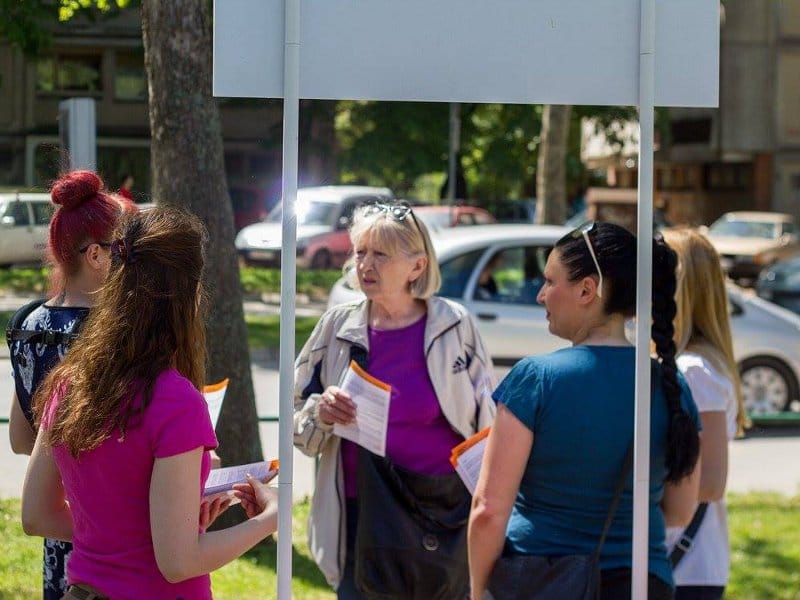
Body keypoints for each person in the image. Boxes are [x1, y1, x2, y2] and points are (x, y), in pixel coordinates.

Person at [21, 207, 278, 600]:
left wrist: (156, 524)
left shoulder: (68, 382)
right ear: (191, 293)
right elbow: (178, 563)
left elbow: (37, 515)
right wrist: (270, 519)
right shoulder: (177, 402)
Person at [468, 222, 702, 600]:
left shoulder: (536, 379)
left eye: (549, 281)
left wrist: (477, 590)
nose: (541, 295)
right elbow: (679, 510)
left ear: (586, 289)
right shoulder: (670, 386)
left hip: (543, 580)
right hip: (642, 583)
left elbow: (488, 510)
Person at [293, 201, 497, 598]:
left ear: (417, 267)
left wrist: (488, 509)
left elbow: (488, 425)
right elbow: (299, 424)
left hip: (444, 516)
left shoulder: (455, 326)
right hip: (362, 518)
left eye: (380, 254)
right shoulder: (337, 327)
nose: (365, 265)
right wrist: (322, 413)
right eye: (360, 252)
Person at [7, 170, 130, 600]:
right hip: (118, 527)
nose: (131, 258)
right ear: (96, 255)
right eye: (125, 247)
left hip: (58, 525)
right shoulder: (117, 330)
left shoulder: (27, 324)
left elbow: (22, 440)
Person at [663, 228, 747, 600]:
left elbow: (711, 482)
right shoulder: (693, 364)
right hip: (689, 564)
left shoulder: (694, 369)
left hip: (685, 566)